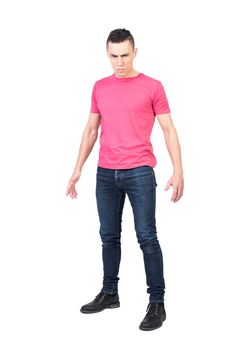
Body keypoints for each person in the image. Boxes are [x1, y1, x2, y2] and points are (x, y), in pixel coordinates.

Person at [66, 28, 184, 331]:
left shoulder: (152, 86)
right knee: (108, 236)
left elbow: (168, 129)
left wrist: (178, 169)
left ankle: (157, 302)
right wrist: (78, 168)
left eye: (124, 55)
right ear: (108, 54)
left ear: (135, 52)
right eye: (113, 56)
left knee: (147, 237)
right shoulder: (100, 87)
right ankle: (109, 293)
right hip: (106, 173)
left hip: (140, 171)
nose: (119, 62)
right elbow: (91, 130)